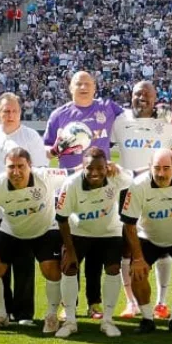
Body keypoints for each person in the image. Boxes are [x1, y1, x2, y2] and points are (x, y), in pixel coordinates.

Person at [44, 71, 123, 322]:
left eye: (88, 83)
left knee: (97, 253)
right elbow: (47, 150)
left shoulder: (108, 107)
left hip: (102, 187)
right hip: (71, 189)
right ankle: (69, 304)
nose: (83, 87)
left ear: (95, 87)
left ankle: (94, 302)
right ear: (70, 87)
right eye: (79, 83)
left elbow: (130, 121)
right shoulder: (59, 115)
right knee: (71, 249)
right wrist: (56, 149)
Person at [110, 80, 172, 320]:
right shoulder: (121, 120)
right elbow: (105, 146)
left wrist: (168, 162)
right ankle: (131, 302)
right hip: (128, 187)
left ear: (156, 98)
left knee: (162, 245)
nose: (141, 97)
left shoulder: (166, 119)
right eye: (137, 94)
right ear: (131, 96)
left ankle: (161, 303)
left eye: (147, 94)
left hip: (160, 185)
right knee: (127, 249)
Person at [0, 148, 72, 334]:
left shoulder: (46, 175)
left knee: (52, 269)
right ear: (5, 168)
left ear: (30, 166)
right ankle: (0, 315)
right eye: (11, 167)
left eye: (21, 166)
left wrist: (110, 168)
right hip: (12, 230)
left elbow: (76, 171)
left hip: (46, 229)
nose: (16, 171)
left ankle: (52, 315)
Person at [0, 92, 47, 326]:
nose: (10, 115)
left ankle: (24, 314)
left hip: (24, 212)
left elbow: (41, 170)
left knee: (24, 263)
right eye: (5, 111)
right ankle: (0, 312)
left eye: (14, 111)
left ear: (21, 112)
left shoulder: (30, 136)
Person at [54, 148, 134, 338]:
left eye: (100, 168)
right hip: (78, 231)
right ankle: (70, 320)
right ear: (83, 166)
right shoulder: (71, 184)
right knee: (69, 267)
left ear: (106, 167)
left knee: (113, 269)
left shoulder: (115, 177)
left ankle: (107, 320)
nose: (95, 173)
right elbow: (62, 218)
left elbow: (131, 181)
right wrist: (70, 250)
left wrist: (118, 169)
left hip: (110, 232)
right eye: (90, 168)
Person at [120, 149, 172, 335]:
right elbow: (129, 224)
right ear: (149, 168)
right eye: (156, 168)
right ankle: (147, 319)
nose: (161, 174)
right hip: (149, 237)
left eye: (166, 168)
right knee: (137, 273)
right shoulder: (138, 186)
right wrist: (137, 258)